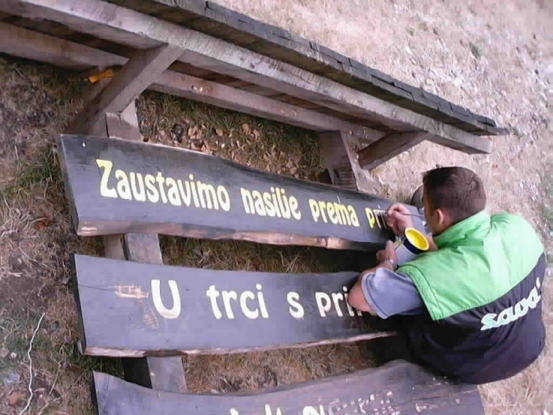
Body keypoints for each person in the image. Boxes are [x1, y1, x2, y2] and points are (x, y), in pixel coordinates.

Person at [348, 166, 546, 384]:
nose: (422, 211)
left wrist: (388, 262)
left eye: (425, 207)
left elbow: (359, 298)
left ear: (439, 216)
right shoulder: (517, 227)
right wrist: (414, 232)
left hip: (473, 363)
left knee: (401, 310)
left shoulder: (436, 278)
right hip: (527, 347)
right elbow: (468, 247)